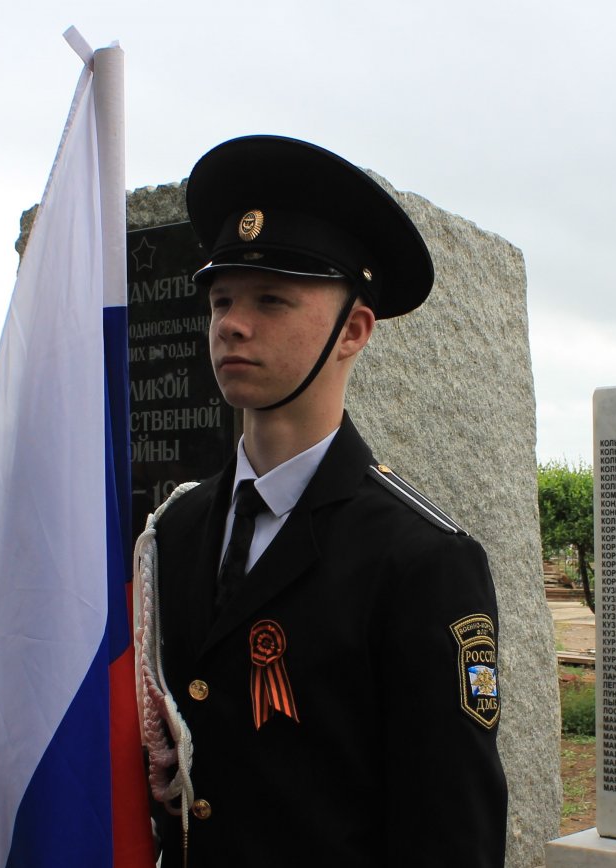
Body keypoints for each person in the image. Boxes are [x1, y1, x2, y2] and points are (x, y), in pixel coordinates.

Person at [136, 135, 506, 867]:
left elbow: (450, 832)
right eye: (221, 300)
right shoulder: (176, 529)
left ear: (355, 330)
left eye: (272, 299)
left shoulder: (421, 560)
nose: (233, 324)